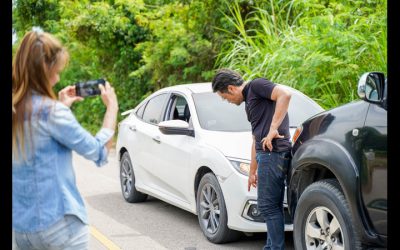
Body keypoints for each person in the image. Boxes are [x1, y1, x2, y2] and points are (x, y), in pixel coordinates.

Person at [12, 29, 118, 249]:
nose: (58, 77)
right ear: (44, 69)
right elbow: (98, 151)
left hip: (23, 231)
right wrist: (112, 109)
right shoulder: (51, 113)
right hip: (60, 227)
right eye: (57, 70)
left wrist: (60, 106)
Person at [212, 69, 292, 250]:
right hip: (266, 156)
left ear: (231, 88)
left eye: (225, 97)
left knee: (267, 206)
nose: (228, 102)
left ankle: (274, 248)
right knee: (272, 206)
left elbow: (285, 94)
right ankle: (271, 247)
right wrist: (252, 171)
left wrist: (273, 129)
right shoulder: (250, 101)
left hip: (273, 154)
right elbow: (256, 138)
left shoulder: (256, 86)